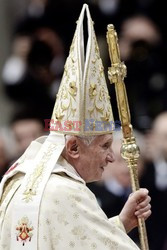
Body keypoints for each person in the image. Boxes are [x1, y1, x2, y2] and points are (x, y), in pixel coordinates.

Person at [0, 4, 151, 249]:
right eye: (104, 145)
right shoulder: (69, 194)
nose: (112, 157)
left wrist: (120, 224)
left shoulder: (21, 173)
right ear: (73, 147)